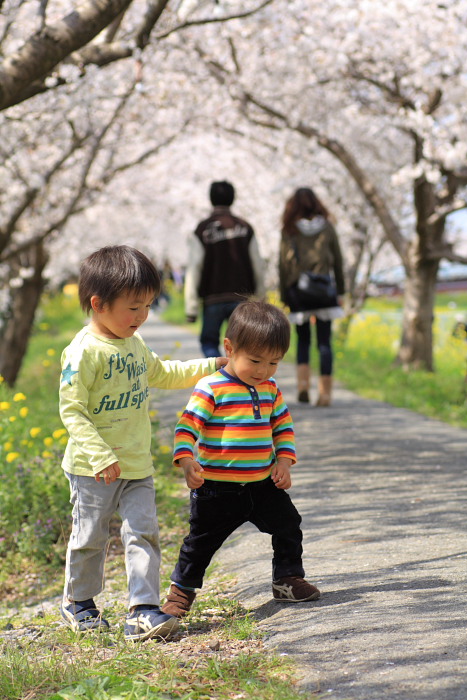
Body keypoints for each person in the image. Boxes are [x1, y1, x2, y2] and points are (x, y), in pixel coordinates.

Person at [59, 245, 226, 642]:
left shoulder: (133, 344)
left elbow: (165, 372)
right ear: (99, 304)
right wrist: (99, 455)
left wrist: (215, 366)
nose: (142, 316)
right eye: (133, 307)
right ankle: (79, 602)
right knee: (90, 537)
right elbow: (72, 410)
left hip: (137, 465)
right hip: (91, 468)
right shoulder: (84, 353)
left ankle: (143, 609)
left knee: (143, 534)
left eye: (148, 306)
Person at [161, 300, 320, 618]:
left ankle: (287, 579)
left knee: (289, 525)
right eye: (256, 361)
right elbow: (188, 425)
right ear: (229, 348)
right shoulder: (212, 387)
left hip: (262, 484)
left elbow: (282, 428)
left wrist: (284, 462)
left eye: (274, 363)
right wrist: (187, 460)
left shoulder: (270, 389)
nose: (263, 371)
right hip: (217, 489)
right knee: (200, 543)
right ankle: (181, 592)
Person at [279, 187, 345, 406]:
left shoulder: (289, 230)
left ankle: (303, 386)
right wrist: (341, 291)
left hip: (299, 291)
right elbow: (338, 260)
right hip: (324, 291)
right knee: (325, 342)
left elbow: (283, 265)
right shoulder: (327, 227)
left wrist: (284, 295)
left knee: (303, 341)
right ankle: (325, 394)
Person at [184, 180, 266, 357]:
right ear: (233, 198)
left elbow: (194, 268)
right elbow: (257, 264)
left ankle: (219, 377)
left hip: (212, 298)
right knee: (241, 344)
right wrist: (260, 297)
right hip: (242, 298)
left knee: (209, 342)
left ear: (211, 199)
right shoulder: (244, 227)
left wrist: (191, 307)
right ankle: (237, 380)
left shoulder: (203, 229)